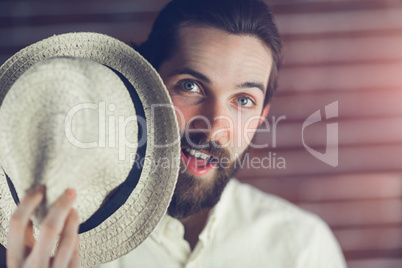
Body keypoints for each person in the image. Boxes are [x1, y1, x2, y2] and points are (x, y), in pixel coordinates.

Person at [4, 0, 347, 267]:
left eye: (243, 100)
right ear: (147, 85)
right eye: (191, 86)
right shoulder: (50, 246)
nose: (213, 126)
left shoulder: (305, 247)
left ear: (261, 118)